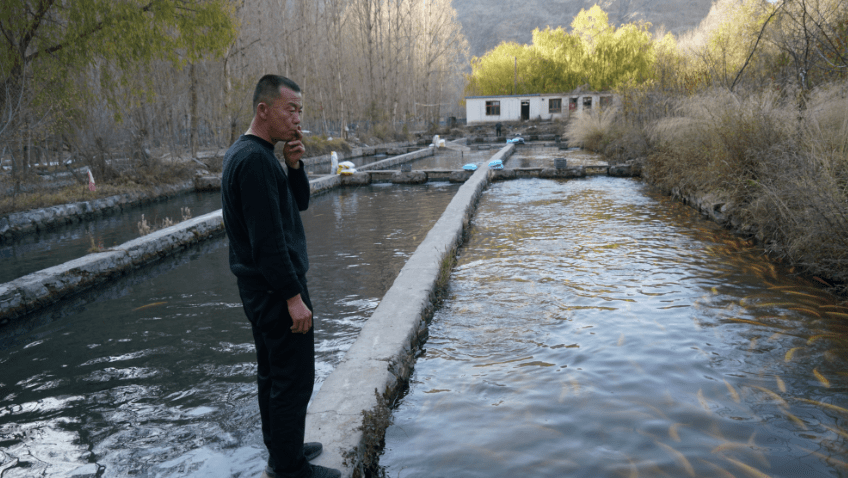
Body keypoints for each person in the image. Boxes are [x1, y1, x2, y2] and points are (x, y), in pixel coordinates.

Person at [221, 75, 341, 478]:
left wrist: (293, 165)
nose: (297, 119)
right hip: (275, 289)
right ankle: (288, 468)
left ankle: (283, 450)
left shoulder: (256, 154)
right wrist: (293, 296)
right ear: (263, 110)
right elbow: (268, 242)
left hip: (261, 288)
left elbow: (299, 204)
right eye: (290, 109)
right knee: (293, 378)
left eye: (300, 111)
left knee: (273, 373)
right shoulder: (253, 161)